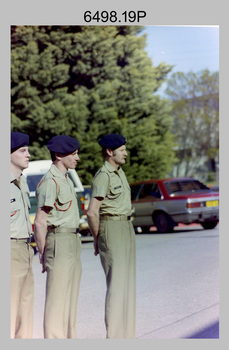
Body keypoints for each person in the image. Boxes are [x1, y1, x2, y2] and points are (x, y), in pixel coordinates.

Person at [87, 133, 136, 339]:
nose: (125, 152)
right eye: (122, 149)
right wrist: (99, 238)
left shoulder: (119, 172)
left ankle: (128, 336)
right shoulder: (103, 175)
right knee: (117, 286)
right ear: (109, 152)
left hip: (126, 227)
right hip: (111, 228)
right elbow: (91, 211)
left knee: (128, 285)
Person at [34, 135, 82, 339]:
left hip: (72, 240)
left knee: (70, 299)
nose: (77, 158)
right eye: (74, 154)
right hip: (58, 242)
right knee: (57, 301)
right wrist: (44, 252)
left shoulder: (65, 179)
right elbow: (40, 221)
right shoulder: (50, 182)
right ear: (60, 155)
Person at [10, 131, 34, 338]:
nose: (28, 154)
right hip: (9, 249)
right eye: (22, 150)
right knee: (10, 308)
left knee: (25, 308)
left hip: (26, 248)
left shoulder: (22, 181)